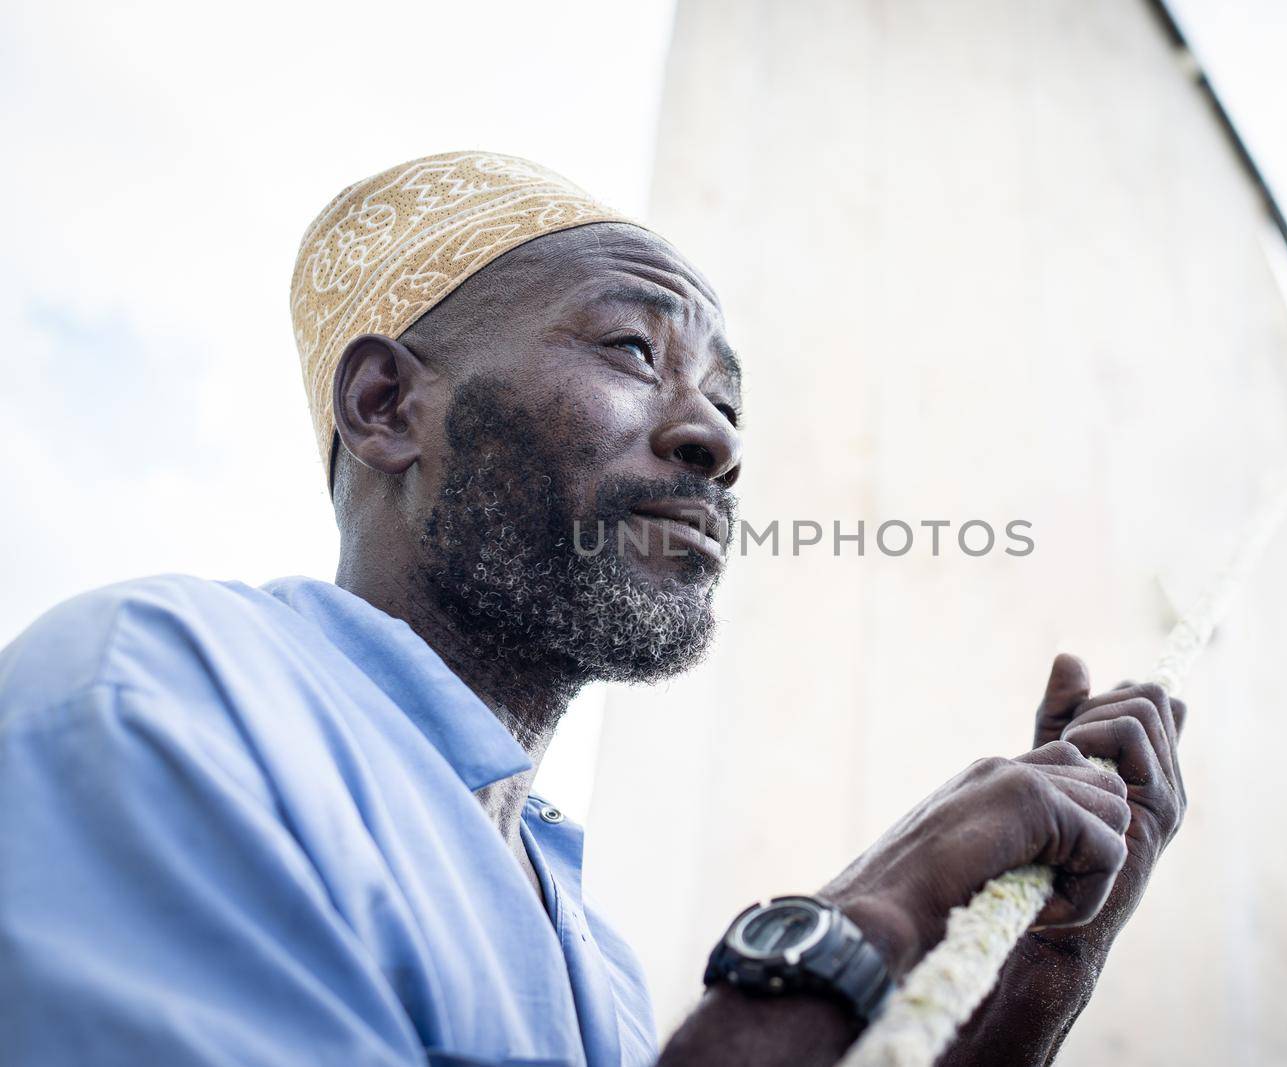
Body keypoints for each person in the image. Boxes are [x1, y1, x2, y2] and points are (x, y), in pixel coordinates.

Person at [0, 151, 1186, 1066]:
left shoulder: (594, 961)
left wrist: (1035, 978)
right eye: (632, 347)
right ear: (384, 406)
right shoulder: (163, 691)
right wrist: (866, 916)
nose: (715, 440)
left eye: (729, 401)